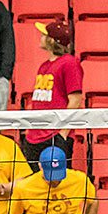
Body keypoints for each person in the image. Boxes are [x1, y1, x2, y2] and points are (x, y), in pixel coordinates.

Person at [19, 18, 84, 165]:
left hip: (54, 135)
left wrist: (63, 134)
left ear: (52, 41)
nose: (41, 37)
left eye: (44, 35)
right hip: (35, 136)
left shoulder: (69, 63)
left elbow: (75, 100)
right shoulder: (44, 66)